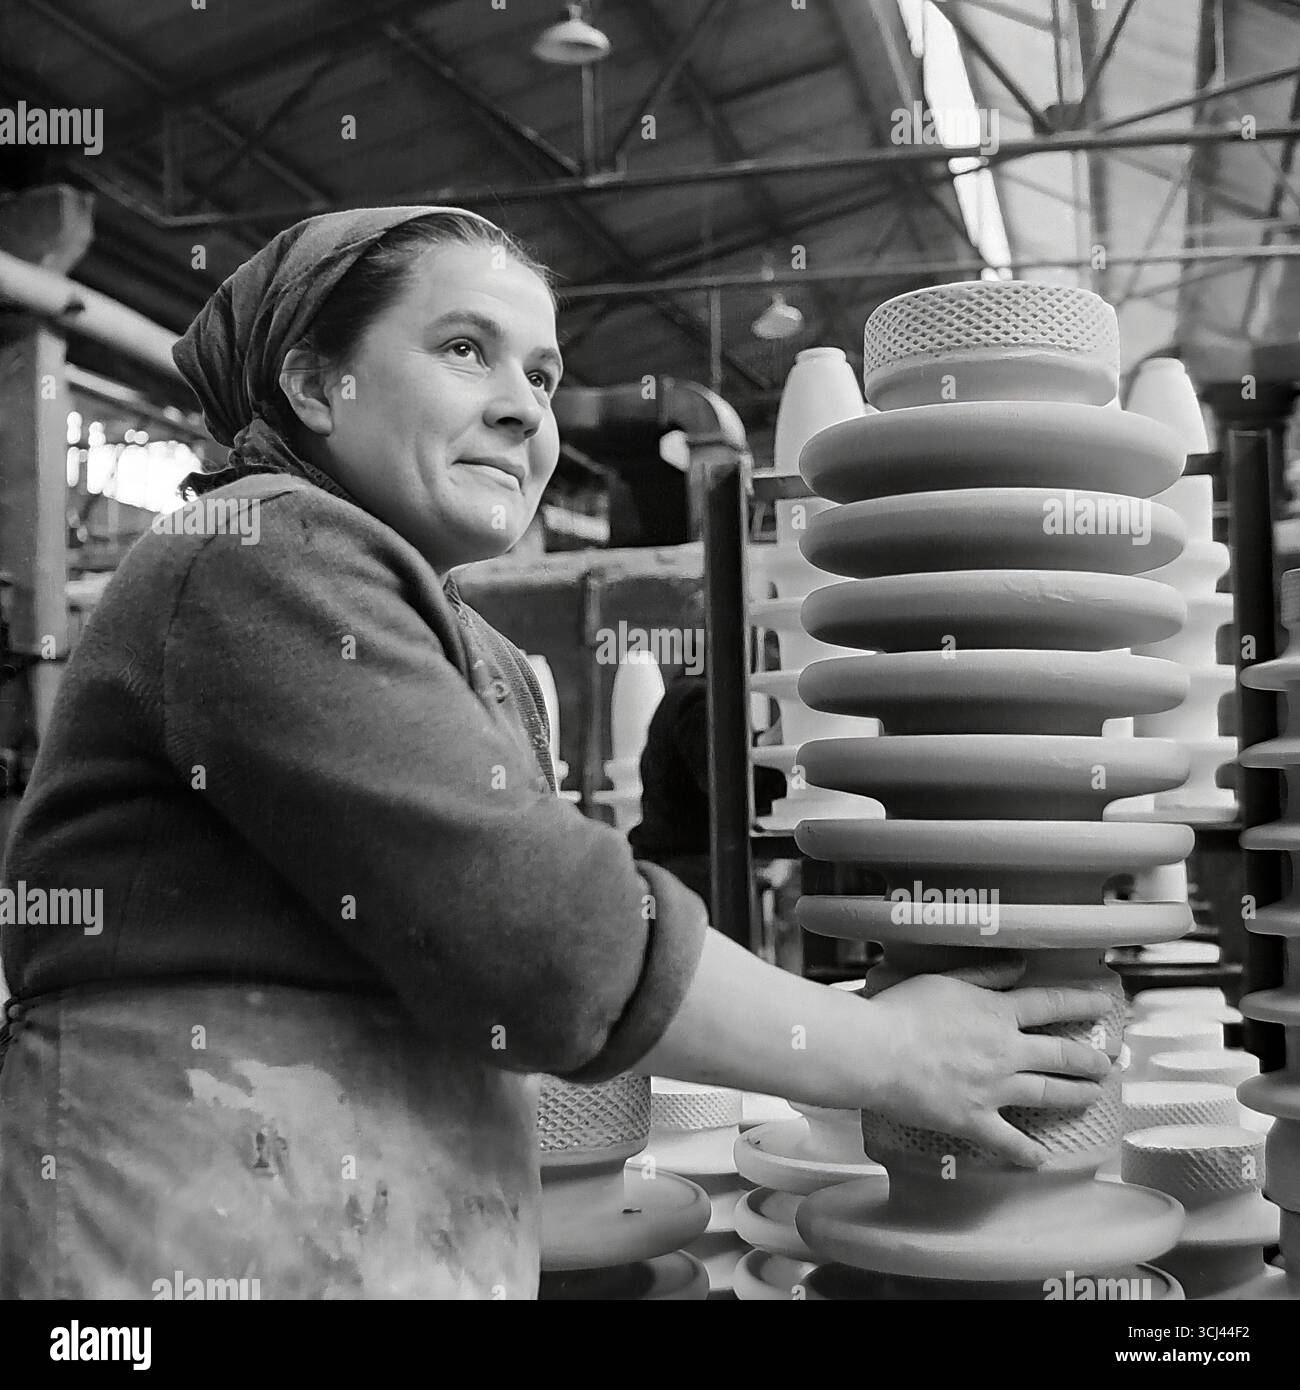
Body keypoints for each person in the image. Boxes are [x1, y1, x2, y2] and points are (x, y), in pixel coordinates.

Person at [0, 206, 1113, 1299]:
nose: (523, 409)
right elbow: (540, 931)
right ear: (314, 383)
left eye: (541, 375)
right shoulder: (256, 551)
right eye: (463, 348)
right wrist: (888, 1052)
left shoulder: (457, 635)